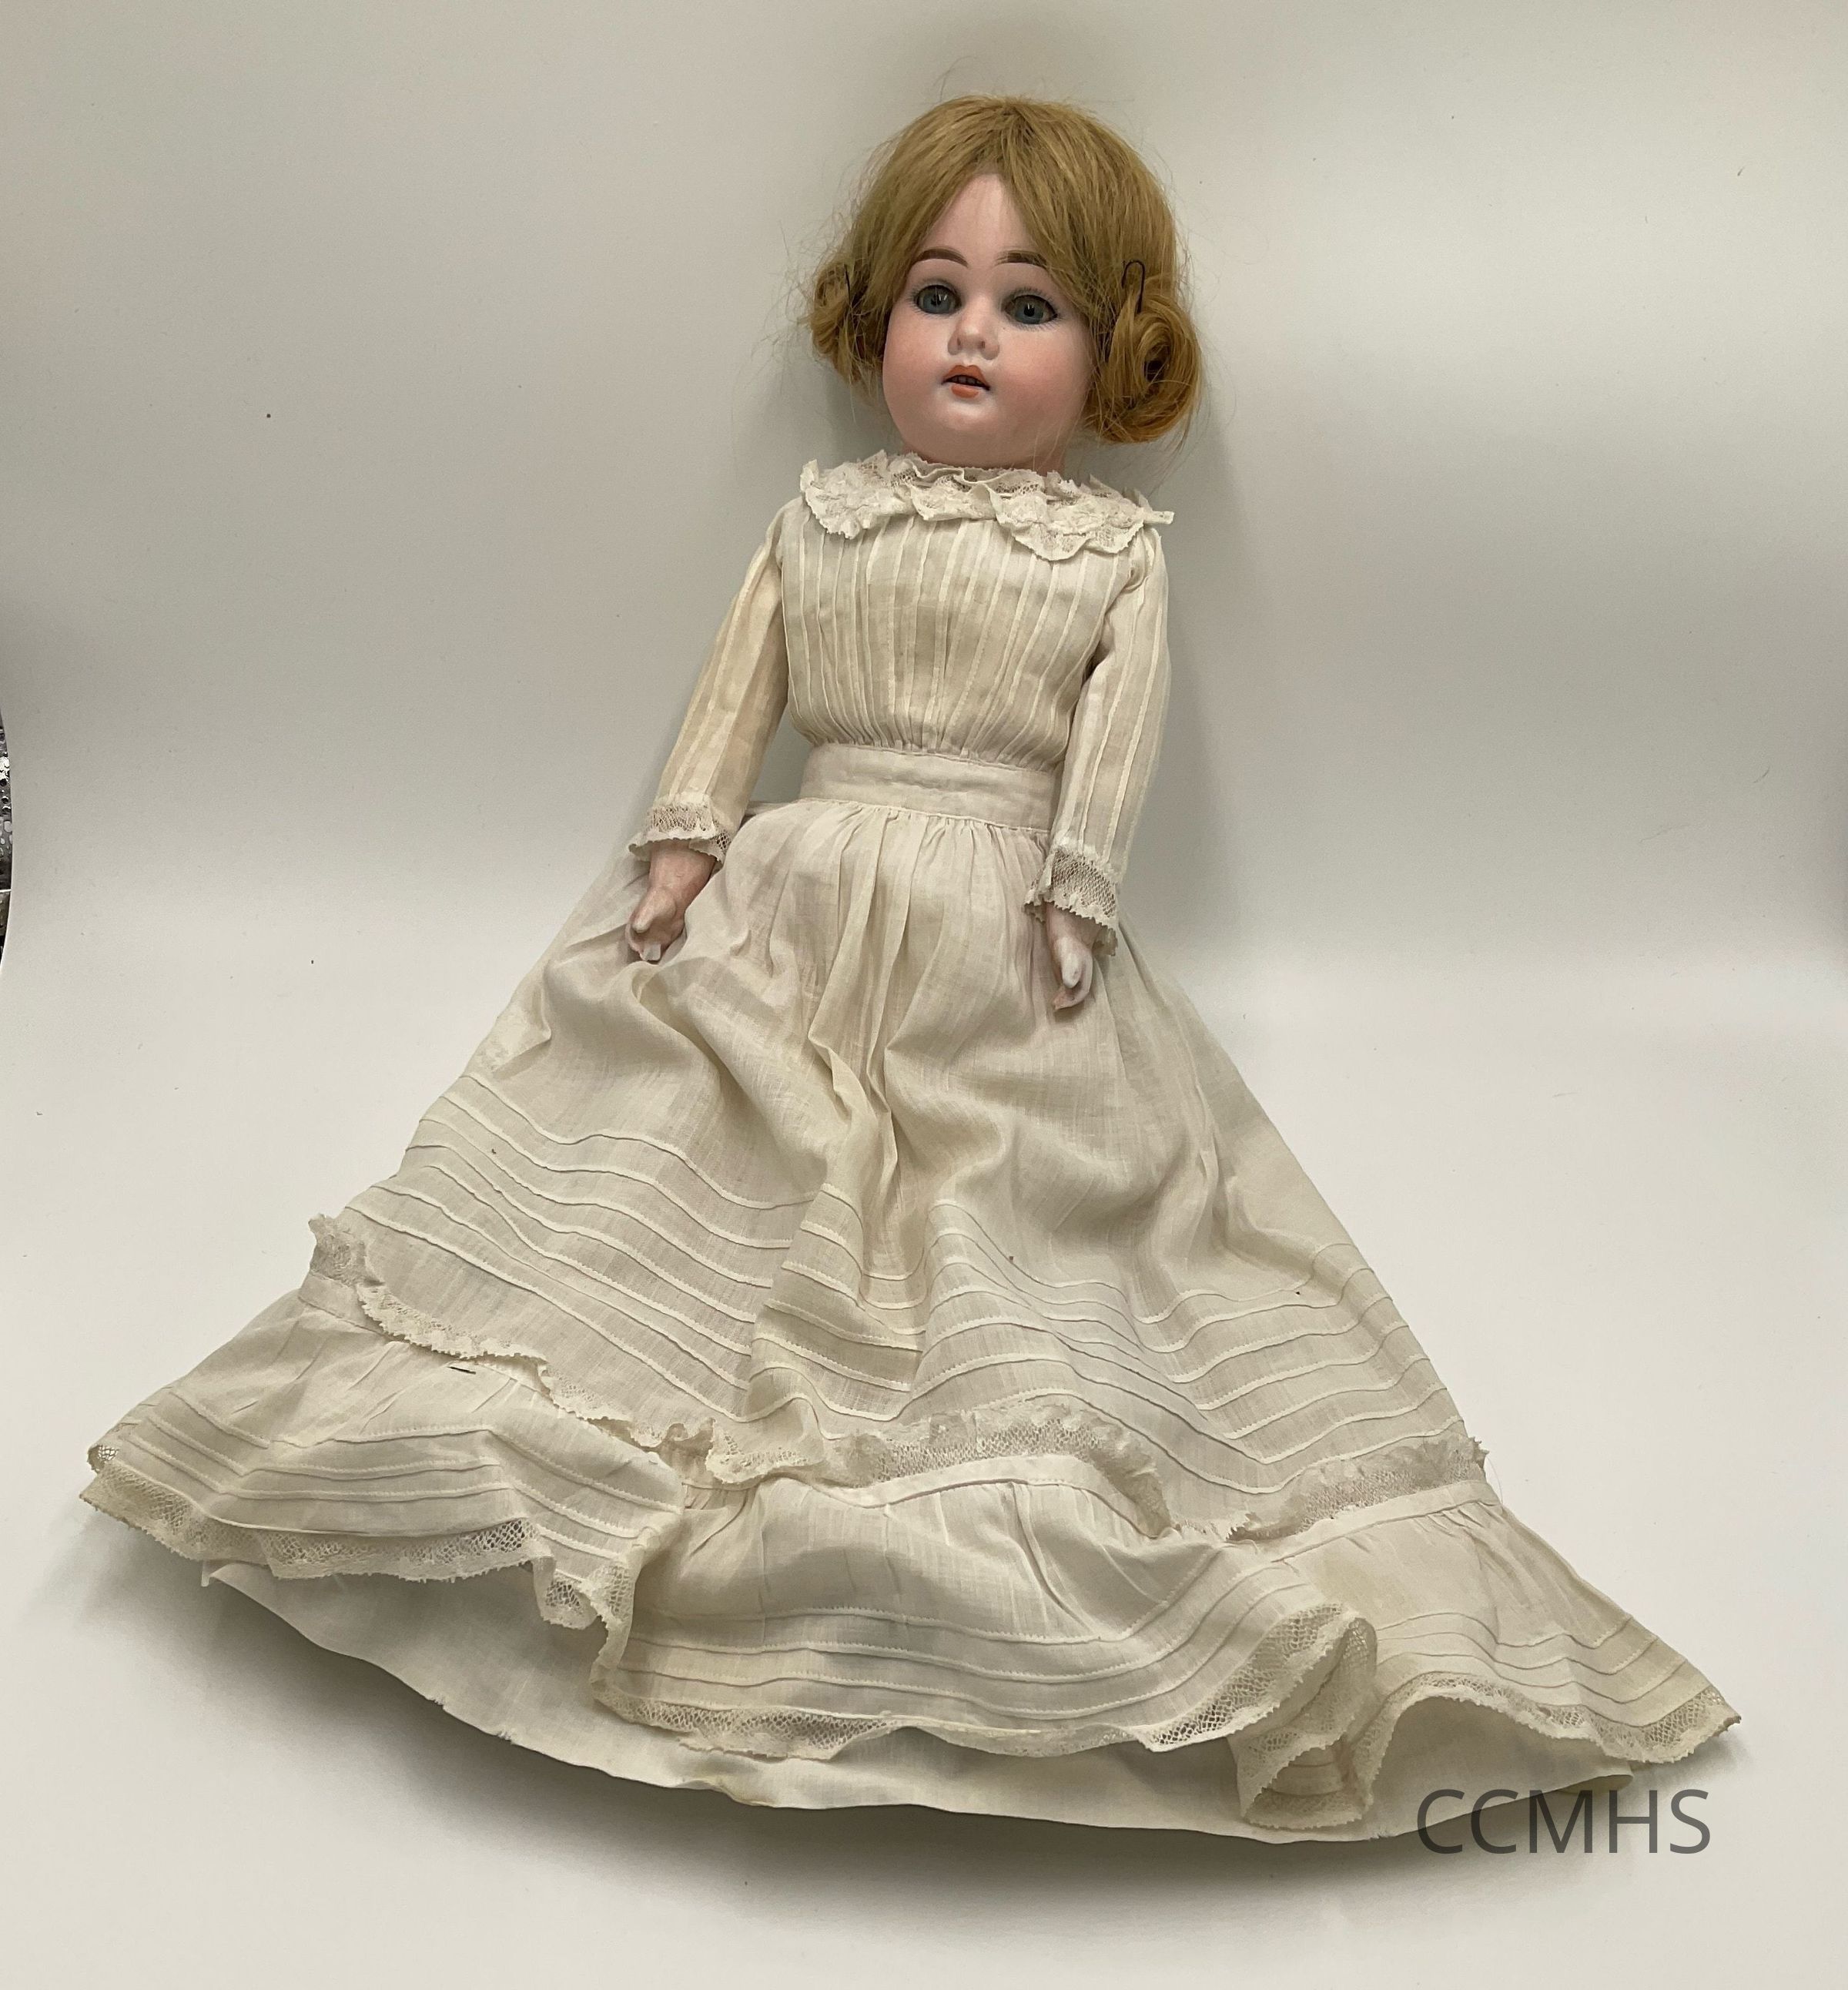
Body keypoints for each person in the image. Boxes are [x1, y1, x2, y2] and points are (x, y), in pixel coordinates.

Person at [80, 93, 1738, 1842]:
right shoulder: (820, 521)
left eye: (1031, 305)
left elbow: (1116, 743)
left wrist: (1079, 887)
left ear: (1115, 351)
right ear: (873, 315)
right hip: (789, 901)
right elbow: (740, 694)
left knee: (1018, 1212)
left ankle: (960, 1569)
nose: (972, 336)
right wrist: (686, 840)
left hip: (994, 925)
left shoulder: (1113, 553)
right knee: (685, 1171)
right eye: (936, 294)